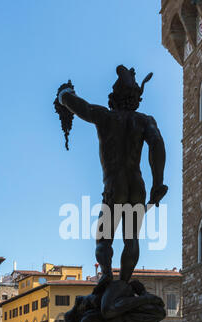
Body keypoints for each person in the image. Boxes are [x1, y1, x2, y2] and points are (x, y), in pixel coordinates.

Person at [56, 65, 167, 289]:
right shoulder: (145, 121)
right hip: (137, 184)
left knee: (103, 237)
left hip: (114, 184)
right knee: (132, 238)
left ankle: (106, 275)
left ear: (114, 98)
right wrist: (158, 182)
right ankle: (124, 284)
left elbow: (80, 106)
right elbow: (157, 144)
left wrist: (63, 94)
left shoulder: (105, 116)